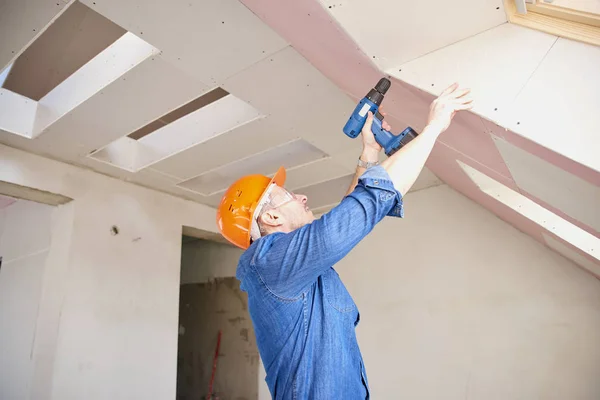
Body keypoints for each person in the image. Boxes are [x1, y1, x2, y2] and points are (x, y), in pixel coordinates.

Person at [216, 83, 472, 399]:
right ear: (271, 219)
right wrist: (433, 129)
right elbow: (351, 218)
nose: (302, 196)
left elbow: (339, 221)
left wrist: (368, 154)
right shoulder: (268, 263)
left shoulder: (293, 266)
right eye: (289, 195)